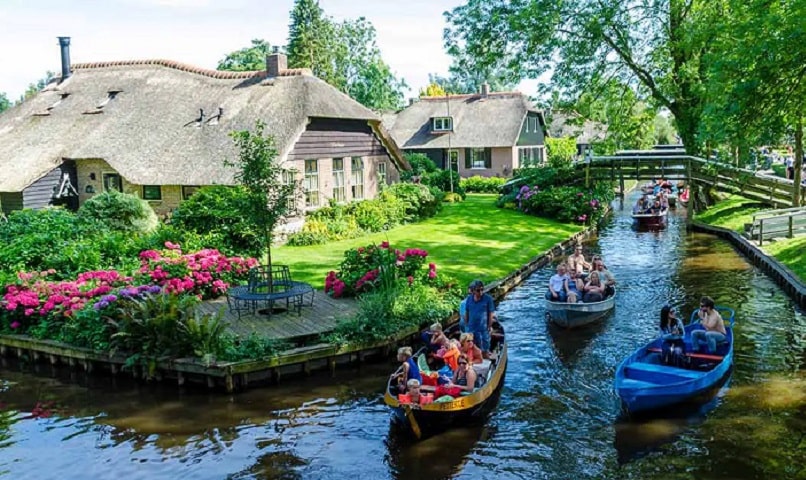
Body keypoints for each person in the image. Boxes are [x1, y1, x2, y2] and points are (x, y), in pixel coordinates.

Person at [464, 280, 496, 356]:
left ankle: (486, 356)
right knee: (472, 345)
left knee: (485, 345)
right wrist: (466, 323)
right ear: (473, 290)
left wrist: (489, 325)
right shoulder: (469, 299)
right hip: (472, 327)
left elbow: (491, 313)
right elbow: (467, 311)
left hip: (483, 327)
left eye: (482, 289)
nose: (481, 292)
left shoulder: (488, 299)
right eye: (478, 290)